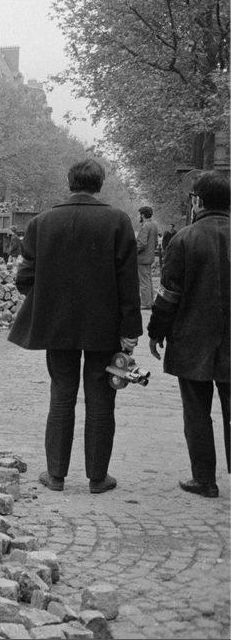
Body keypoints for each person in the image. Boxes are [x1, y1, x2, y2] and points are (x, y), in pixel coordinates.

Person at [8, 158, 141, 495]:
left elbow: (24, 278)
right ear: (99, 184)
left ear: (70, 183)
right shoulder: (118, 221)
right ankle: (98, 477)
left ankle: (56, 475)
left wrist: (49, 298)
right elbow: (129, 282)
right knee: (102, 400)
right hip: (104, 327)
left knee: (62, 395)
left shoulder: (42, 222)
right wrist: (130, 330)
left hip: (57, 325)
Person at [147, 172, 230, 498]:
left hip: (193, 339)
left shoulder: (184, 239)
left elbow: (169, 294)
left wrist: (156, 331)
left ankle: (204, 480)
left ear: (198, 201)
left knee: (197, 411)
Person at [137, 205, 160, 308]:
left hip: (142, 258)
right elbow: (155, 242)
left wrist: (134, 252)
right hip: (150, 257)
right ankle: (150, 302)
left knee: (144, 281)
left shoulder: (145, 226)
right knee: (148, 280)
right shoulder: (154, 225)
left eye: (140, 214)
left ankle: (146, 303)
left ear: (142, 215)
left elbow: (141, 243)